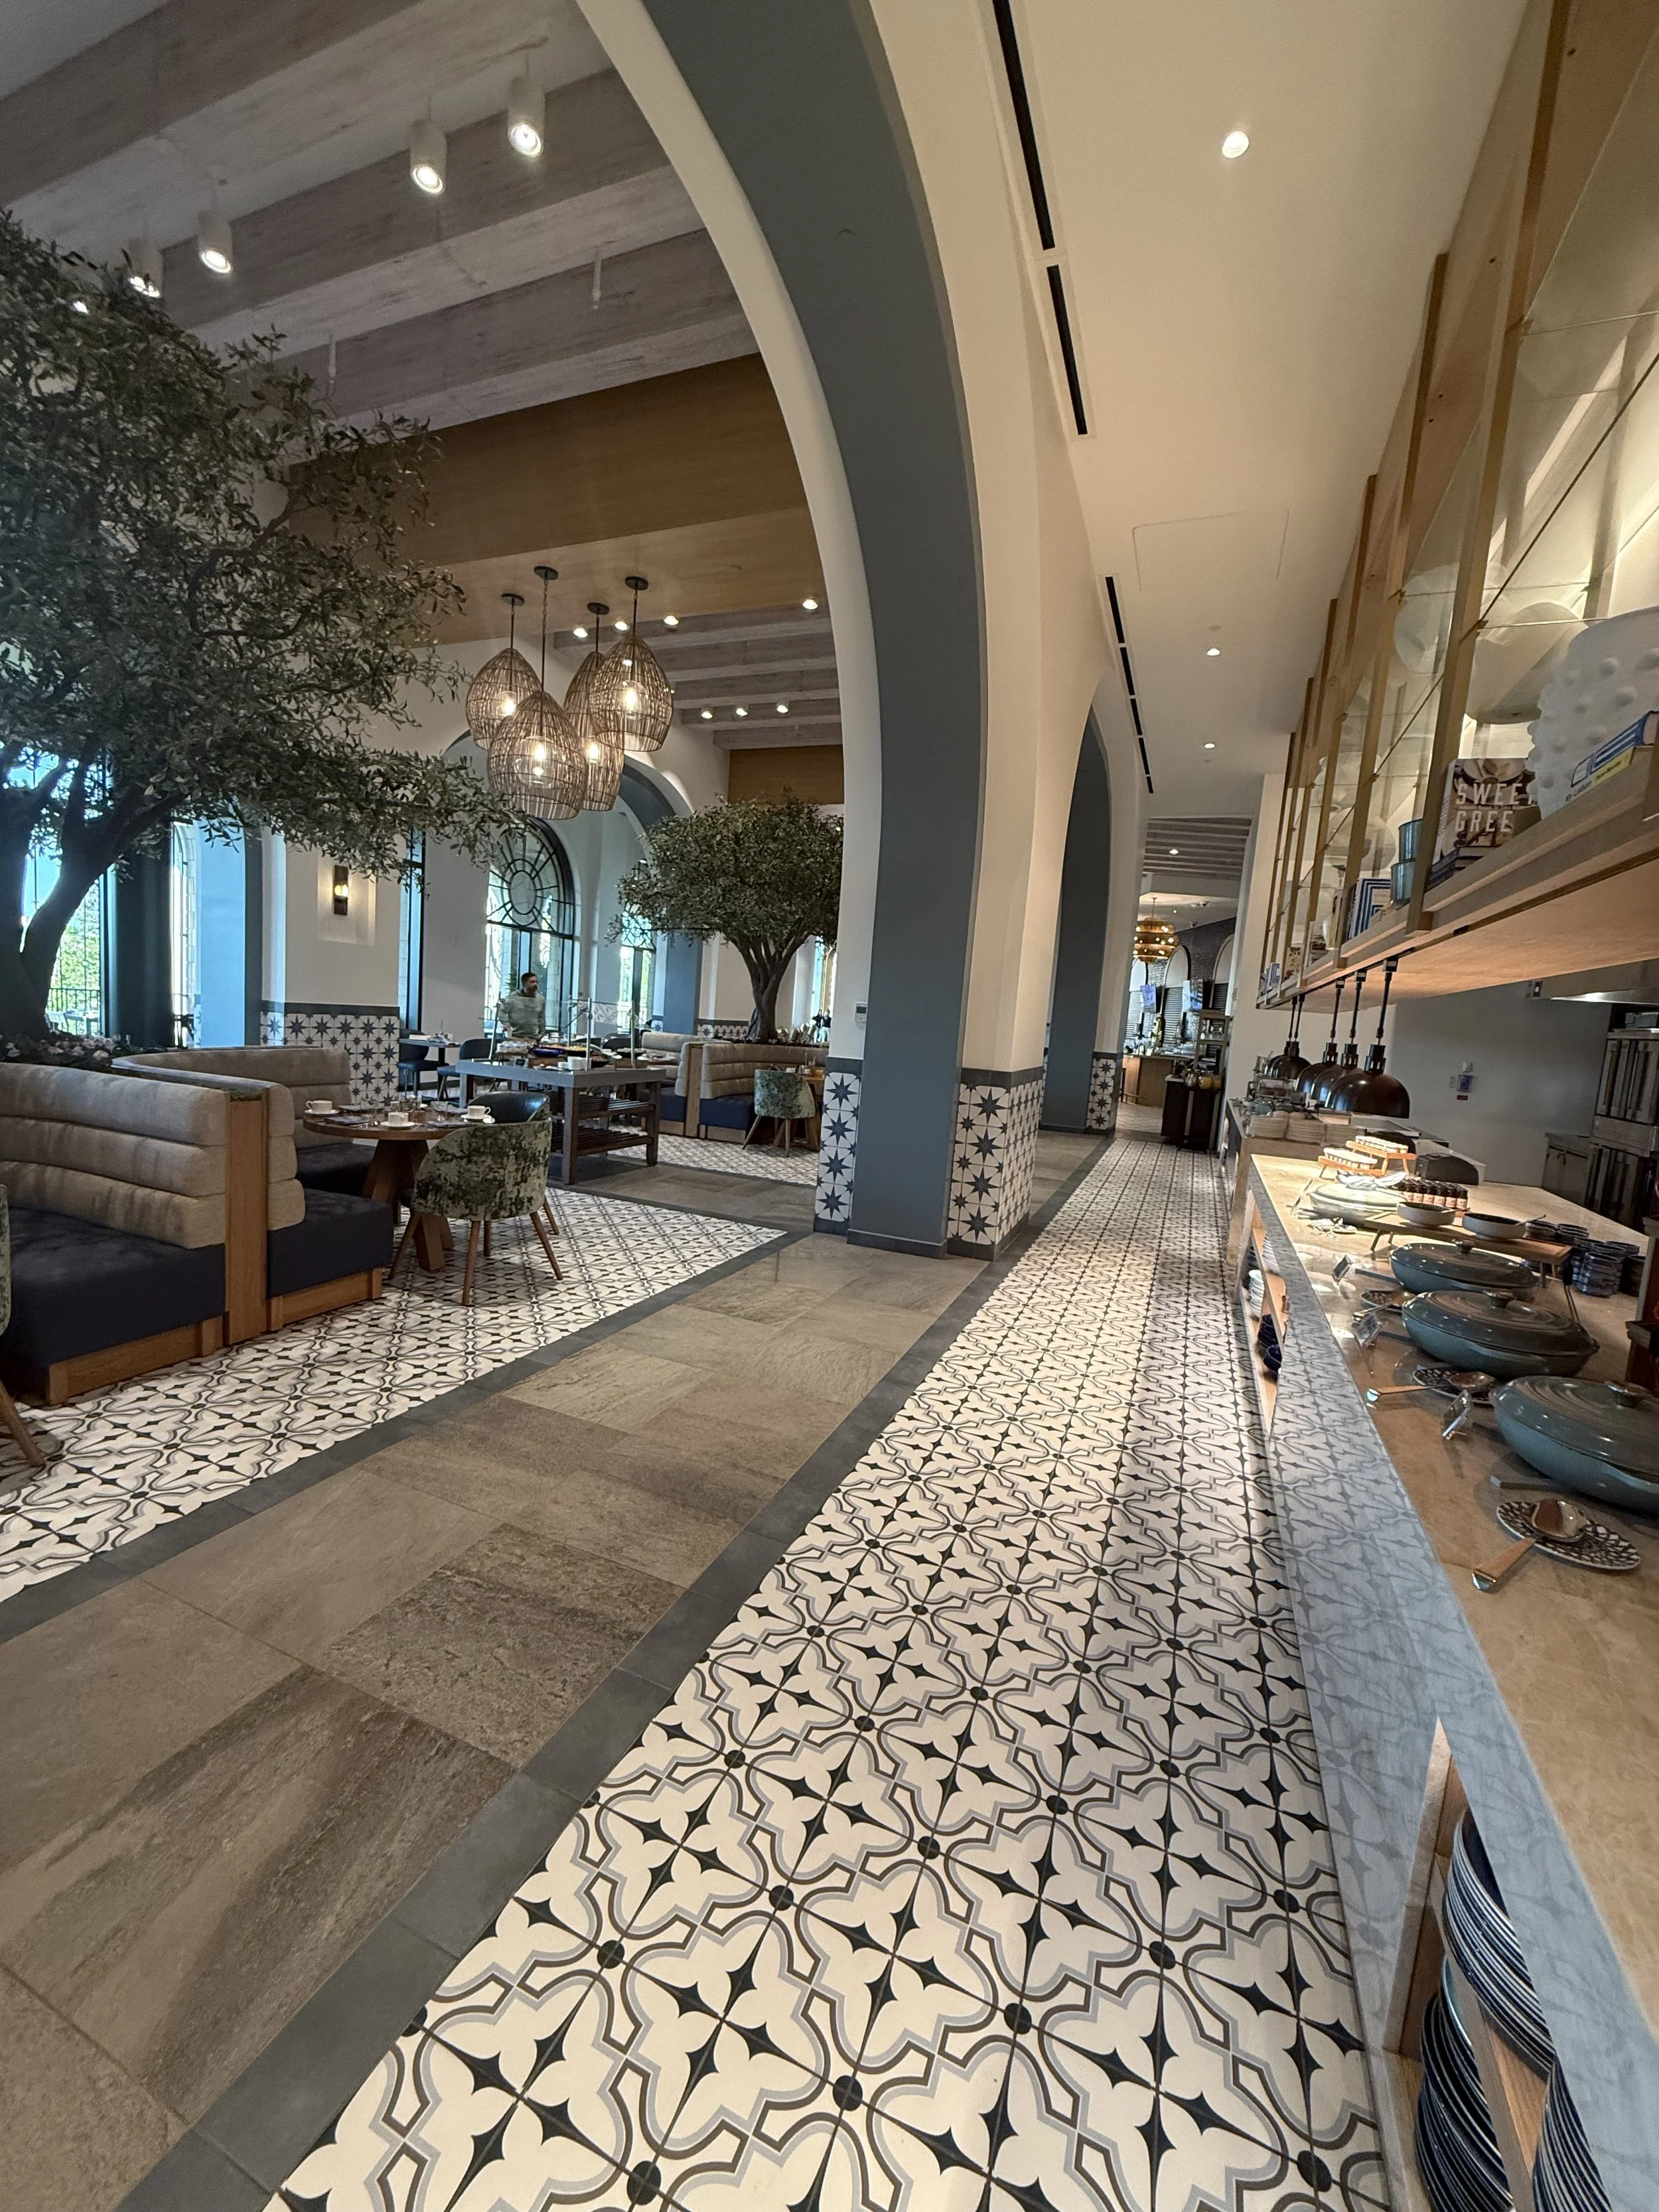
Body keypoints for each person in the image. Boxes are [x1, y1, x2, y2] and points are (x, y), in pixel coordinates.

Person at [496, 970, 545, 1041]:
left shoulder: (540, 999)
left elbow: (541, 1019)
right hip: (515, 1037)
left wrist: (541, 1035)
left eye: (536, 982)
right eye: (532, 982)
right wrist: (505, 1022)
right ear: (525, 983)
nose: (535, 984)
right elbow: (501, 1010)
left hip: (533, 1037)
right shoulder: (514, 997)